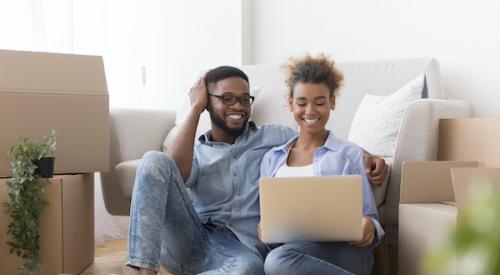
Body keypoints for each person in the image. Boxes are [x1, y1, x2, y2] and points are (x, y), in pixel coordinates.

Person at [126, 65, 388, 274]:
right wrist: (195, 108)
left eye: (244, 99)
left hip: (240, 252)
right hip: (191, 238)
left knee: (251, 269)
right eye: (226, 99)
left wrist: (369, 156)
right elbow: (171, 171)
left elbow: (319, 141)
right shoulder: (197, 151)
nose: (238, 106)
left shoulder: (275, 139)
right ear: (208, 102)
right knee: (153, 159)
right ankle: (143, 270)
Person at [259, 54, 384, 275]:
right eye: (301, 103)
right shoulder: (272, 158)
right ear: (290, 104)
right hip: (291, 252)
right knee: (275, 260)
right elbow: (267, 217)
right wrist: (264, 228)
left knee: (277, 262)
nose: (310, 111)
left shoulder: (350, 154)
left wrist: (369, 227)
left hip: (345, 252)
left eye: (319, 102)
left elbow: (370, 217)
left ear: (332, 102)